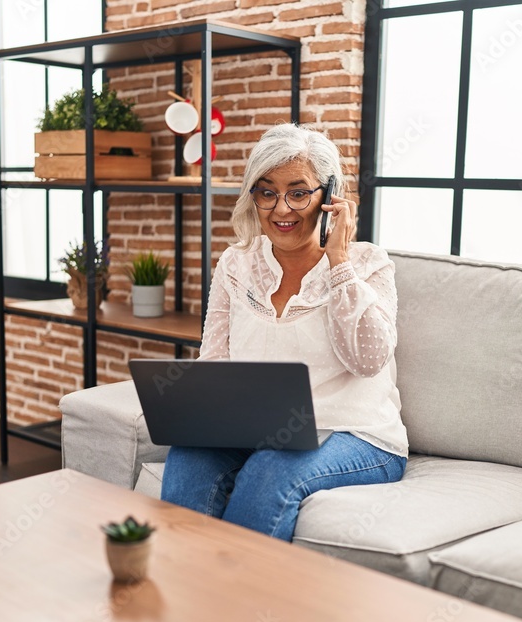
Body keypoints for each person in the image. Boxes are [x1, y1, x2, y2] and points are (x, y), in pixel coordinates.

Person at [160, 124, 409, 541]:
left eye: (298, 192)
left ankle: (242, 600)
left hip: (356, 434)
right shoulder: (236, 265)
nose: (281, 209)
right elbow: (215, 362)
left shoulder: (368, 264)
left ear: (328, 198)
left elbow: (368, 360)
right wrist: (202, 418)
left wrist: (339, 260)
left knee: (270, 469)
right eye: (267, 192)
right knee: (188, 457)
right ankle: (186, 591)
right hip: (258, 427)